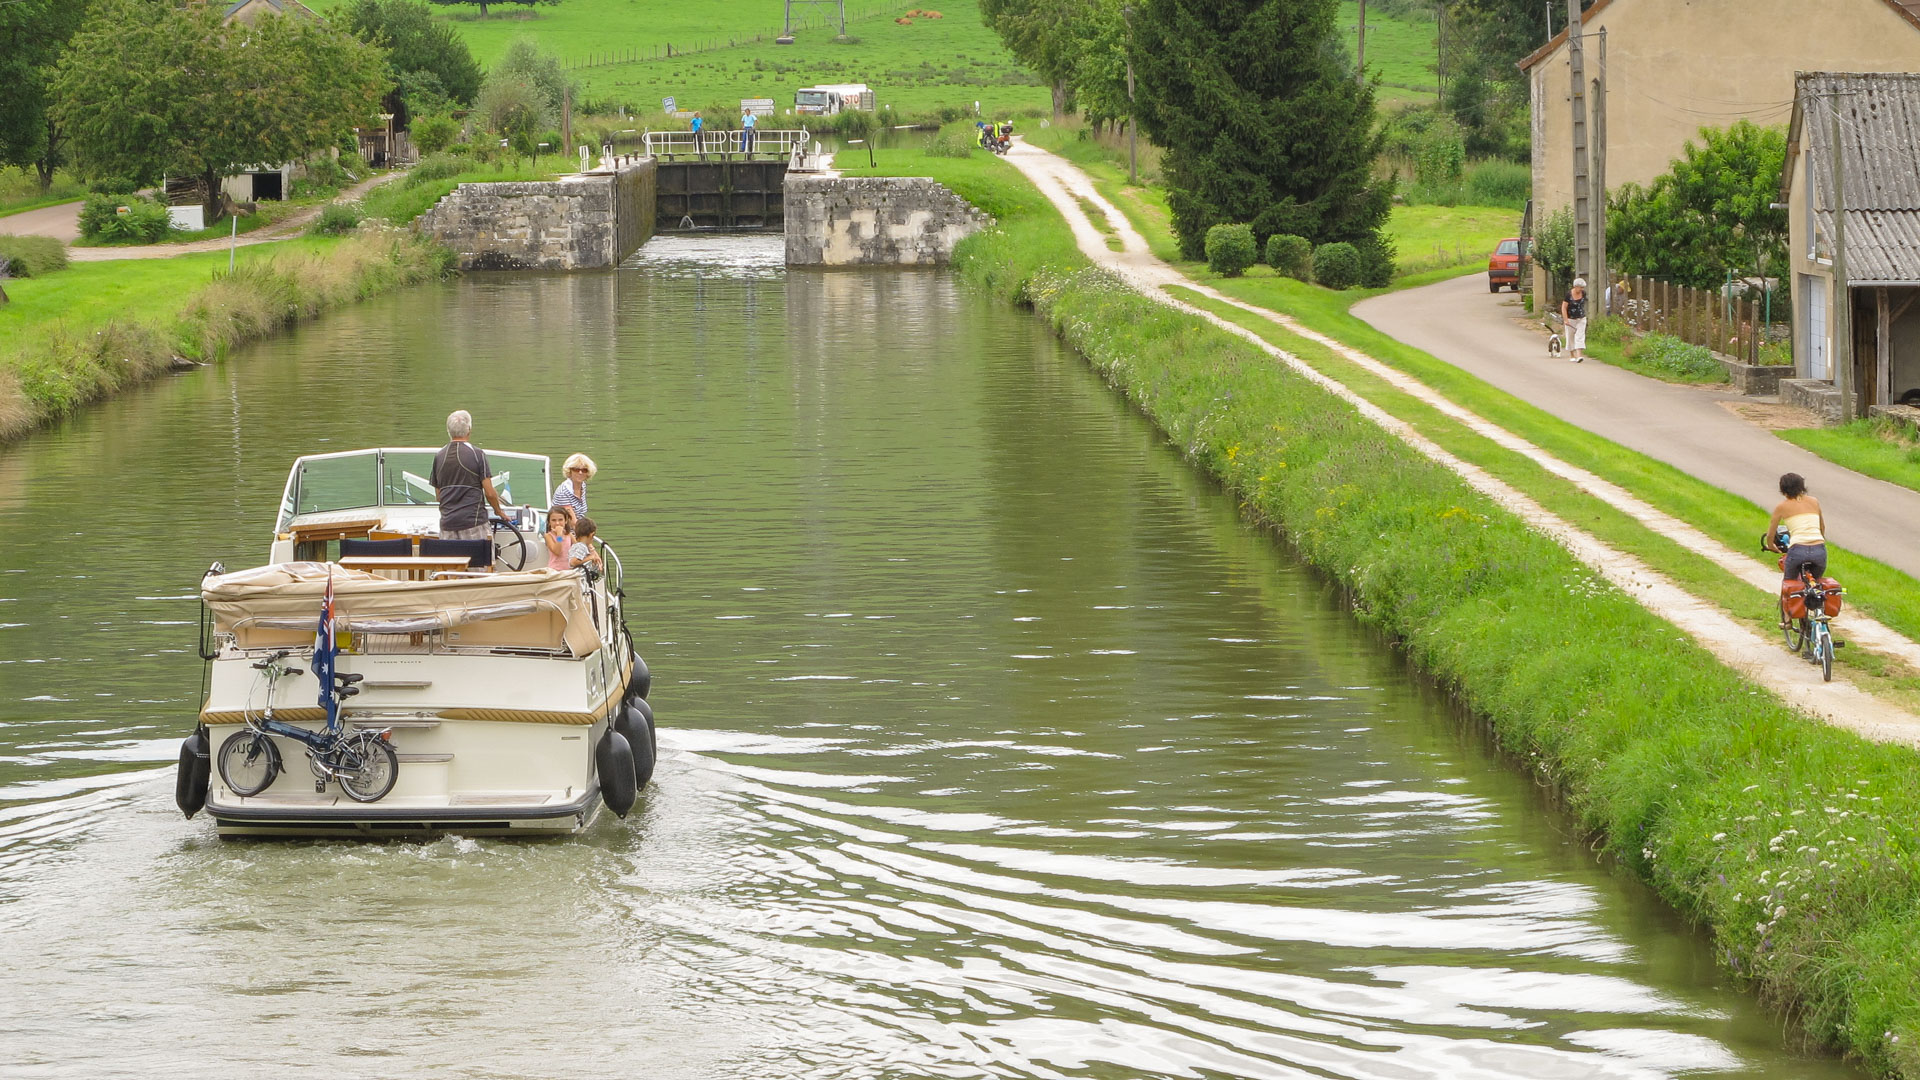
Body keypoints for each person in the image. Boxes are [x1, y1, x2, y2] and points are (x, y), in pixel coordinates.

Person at [431, 409, 511, 545]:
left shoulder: (439, 456)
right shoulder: (477, 454)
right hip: (473, 523)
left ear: (448, 431)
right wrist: (499, 511)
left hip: (447, 525)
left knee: (451, 565)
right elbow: (490, 493)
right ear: (469, 430)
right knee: (480, 564)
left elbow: (439, 496)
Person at [1765, 472, 1828, 583]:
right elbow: (1822, 527)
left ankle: (1785, 600)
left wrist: (1771, 546)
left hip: (1798, 549)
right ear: (1802, 486)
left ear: (1783, 490)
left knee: (1790, 585)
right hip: (1819, 549)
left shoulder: (1782, 506)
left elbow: (1771, 532)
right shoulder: (1814, 501)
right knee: (1816, 584)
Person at [551, 452, 595, 516]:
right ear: (570, 471)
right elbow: (573, 523)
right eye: (576, 469)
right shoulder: (563, 492)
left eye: (584, 470)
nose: (580, 472)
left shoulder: (583, 486)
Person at [1560, 277, 1589, 363]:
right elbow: (1564, 307)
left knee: (1580, 336)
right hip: (1570, 319)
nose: (1581, 289)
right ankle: (1572, 354)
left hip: (1581, 318)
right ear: (1575, 286)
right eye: (1580, 287)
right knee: (1570, 336)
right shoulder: (1568, 295)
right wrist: (1565, 319)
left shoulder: (1583, 293)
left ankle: (1579, 355)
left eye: (1582, 287)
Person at [544, 505, 576, 572]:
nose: (557, 523)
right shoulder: (548, 536)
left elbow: (578, 547)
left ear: (566, 521)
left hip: (568, 570)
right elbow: (557, 551)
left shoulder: (569, 535)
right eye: (553, 520)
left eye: (560, 520)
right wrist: (559, 534)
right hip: (554, 570)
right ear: (549, 522)